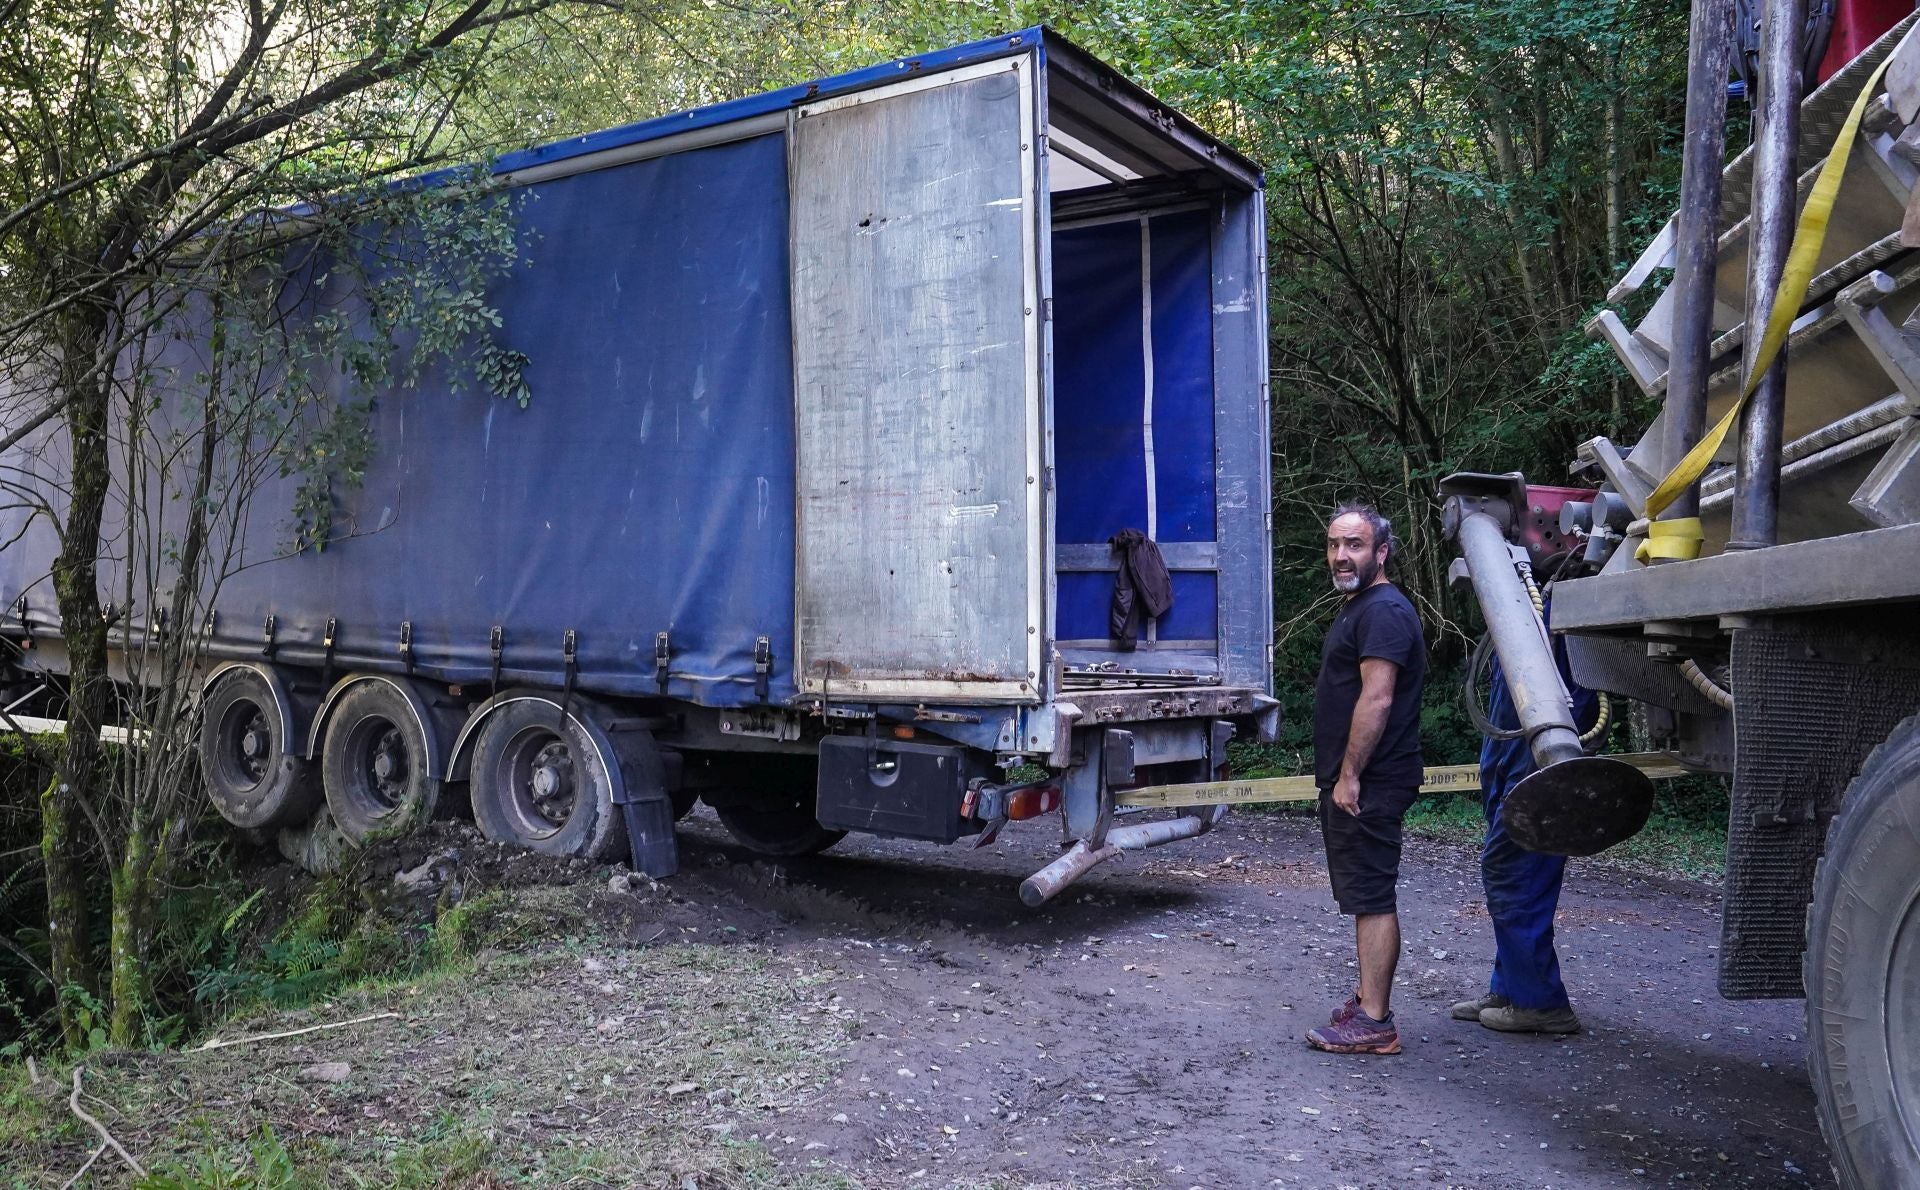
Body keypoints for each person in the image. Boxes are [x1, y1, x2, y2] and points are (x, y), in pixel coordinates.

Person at [1304, 503, 1427, 1056]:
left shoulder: (1383, 612)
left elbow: (1377, 698)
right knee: (1362, 893)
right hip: (1357, 778)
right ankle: (1366, 1000)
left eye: (1354, 545)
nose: (1341, 556)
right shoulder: (1361, 607)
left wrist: (1350, 776)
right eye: (1334, 545)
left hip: (1370, 781)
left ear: (1381, 552)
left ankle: (1376, 1021)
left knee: (1372, 895)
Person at [1452, 571, 1594, 1035]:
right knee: (1509, 861)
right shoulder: (1526, 608)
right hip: (1512, 752)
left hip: (1535, 750)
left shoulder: (1562, 611)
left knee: (1513, 865)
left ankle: (1540, 1001)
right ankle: (1512, 987)